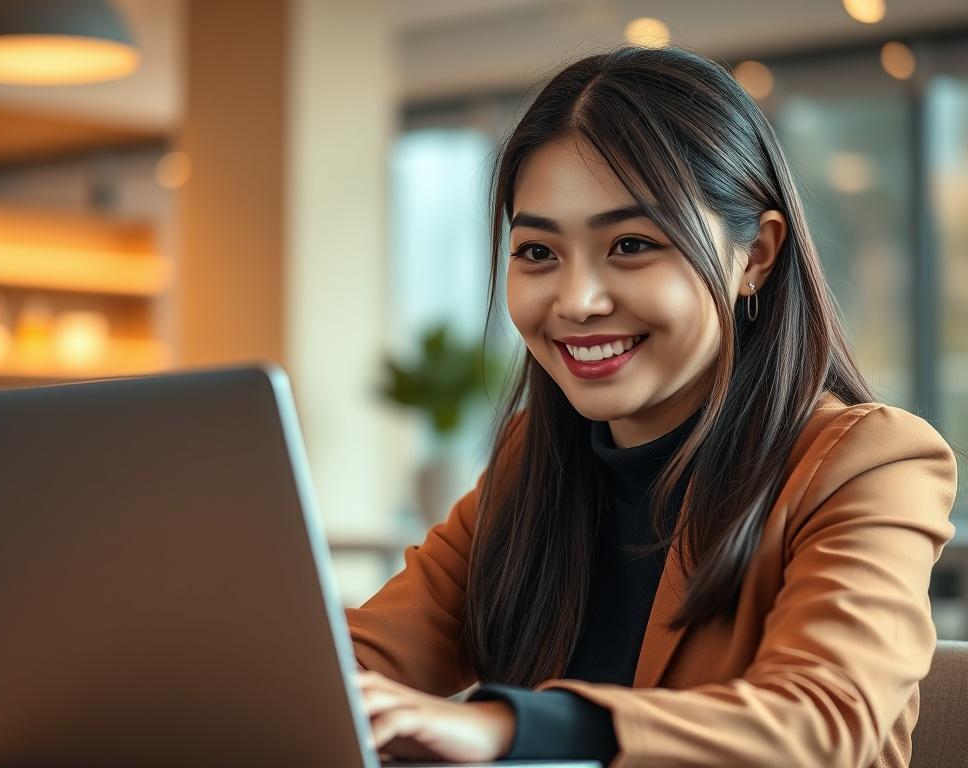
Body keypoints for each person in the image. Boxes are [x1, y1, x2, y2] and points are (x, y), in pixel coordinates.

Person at [346, 44, 959, 767]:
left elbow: (824, 723)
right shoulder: (533, 460)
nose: (576, 301)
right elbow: (354, 664)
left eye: (632, 244)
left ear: (756, 255)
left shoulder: (868, 462)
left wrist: (515, 731)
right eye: (538, 253)